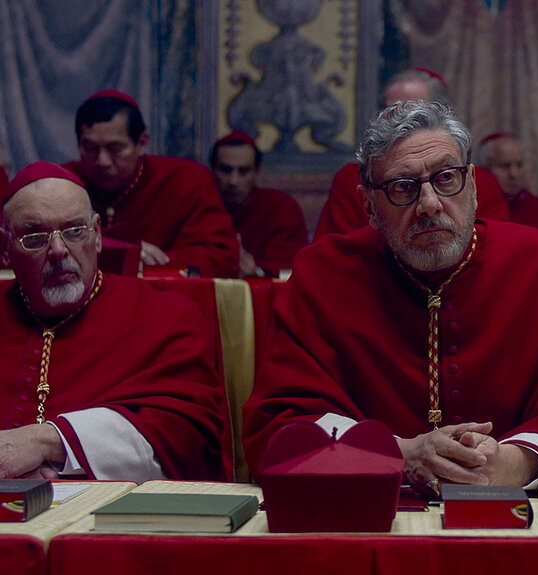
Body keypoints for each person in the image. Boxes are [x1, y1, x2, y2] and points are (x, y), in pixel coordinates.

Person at [243, 101, 538, 497]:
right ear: (368, 206)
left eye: (446, 178)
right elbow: (282, 422)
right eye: (402, 187)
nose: (429, 204)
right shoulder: (322, 275)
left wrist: (513, 463)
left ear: (474, 187)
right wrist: (398, 454)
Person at [0, 161, 225, 481]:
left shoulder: (166, 314)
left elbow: (189, 437)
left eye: (75, 231)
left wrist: (51, 441)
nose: (59, 250)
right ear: (5, 250)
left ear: (98, 235)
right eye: (35, 236)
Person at [313, 68, 510, 240]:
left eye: (412, 111)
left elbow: (491, 246)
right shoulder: (352, 179)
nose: (399, 121)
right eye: (389, 110)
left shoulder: (481, 182)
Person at [64, 90, 239, 277]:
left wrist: (154, 263)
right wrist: (121, 252)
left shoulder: (187, 180)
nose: (102, 161)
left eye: (115, 148)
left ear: (142, 143)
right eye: (90, 149)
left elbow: (221, 257)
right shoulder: (63, 182)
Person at [210, 131, 308, 277]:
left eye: (243, 171)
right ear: (213, 170)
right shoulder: (200, 206)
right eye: (226, 170)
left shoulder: (280, 209)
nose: (233, 181)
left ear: (257, 172)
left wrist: (258, 272)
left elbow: (290, 271)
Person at [477, 132, 538, 229]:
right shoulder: (477, 208)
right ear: (485, 168)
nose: (514, 174)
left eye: (519, 165)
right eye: (505, 166)